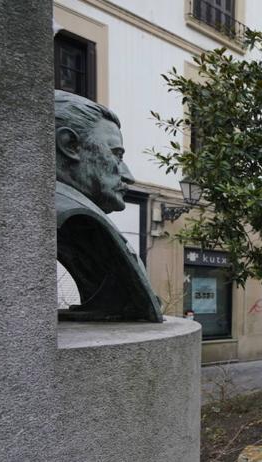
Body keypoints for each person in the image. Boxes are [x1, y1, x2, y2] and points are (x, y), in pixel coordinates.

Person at [54, 90, 161, 322]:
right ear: (69, 145)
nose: (128, 176)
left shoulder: (77, 223)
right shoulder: (70, 216)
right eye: (117, 155)